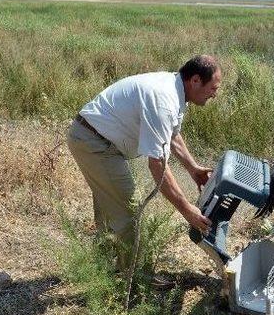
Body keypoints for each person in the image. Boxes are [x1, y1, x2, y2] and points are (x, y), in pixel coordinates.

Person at [67, 55, 220, 270]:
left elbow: (171, 134)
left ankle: (103, 266)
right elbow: (157, 165)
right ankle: (136, 279)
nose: (215, 94)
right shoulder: (164, 100)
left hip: (96, 139)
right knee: (131, 212)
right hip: (94, 143)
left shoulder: (175, 90)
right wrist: (186, 209)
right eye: (213, 87)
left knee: (113, 204)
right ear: (195, 80)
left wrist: (193, 169)